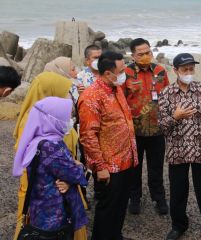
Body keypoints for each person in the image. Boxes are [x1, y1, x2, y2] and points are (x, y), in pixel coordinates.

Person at [12, 72, 88, 240]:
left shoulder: (40, 122)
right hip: (55, 208)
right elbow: (76, 174)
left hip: (42, 199)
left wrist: (69, 171)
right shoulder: (50, 143)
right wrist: (79, 168)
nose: (70, 118)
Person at [158, 53, 201, 240]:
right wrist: (175, 117)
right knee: (178, 191)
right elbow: (161, 125)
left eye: (191, 69)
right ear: (175, 70)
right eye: (184, 69)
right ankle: (178, 225)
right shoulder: (166, 94)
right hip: (177, 150)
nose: (188, 72)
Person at [78, 51, 138, 240]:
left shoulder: (116, 88)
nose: (124, 74)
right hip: (109, 165)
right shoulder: (91, 97)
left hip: (127, 159)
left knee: (120, 206)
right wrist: (100, 167)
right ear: (107, 73)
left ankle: (115, 235)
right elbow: (88, 136)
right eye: (121, 71)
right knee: (107, 208)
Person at [123, 38, 169, 215]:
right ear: (133, 55)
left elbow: (168, 97)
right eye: (140, 54)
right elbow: (120, 99)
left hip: (157, 129)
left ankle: (159, 198)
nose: (145, 56)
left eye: (148, 52)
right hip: (134, 130)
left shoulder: (160, 71)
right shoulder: (125, 73)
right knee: (134, 167)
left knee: (156, 168)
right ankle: (134, 198)